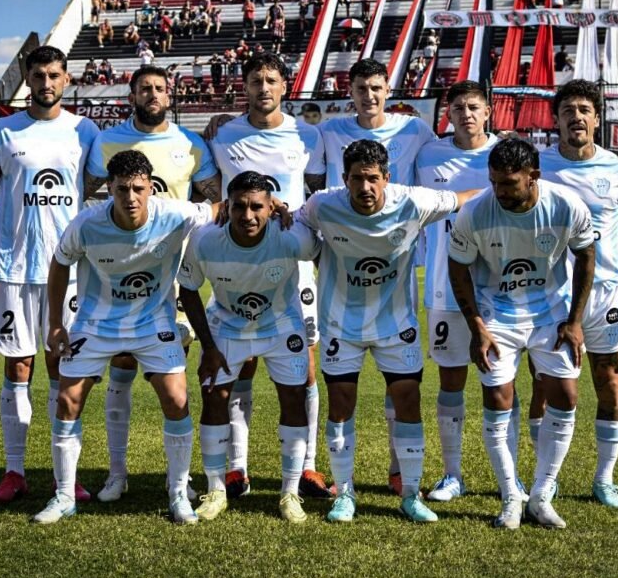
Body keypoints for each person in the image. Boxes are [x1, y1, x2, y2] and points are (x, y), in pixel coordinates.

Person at [32, 150, 219, 525]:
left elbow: (218, 209)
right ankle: (64, 495)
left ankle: (177, 493)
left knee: (176, 398)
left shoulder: (175, 214)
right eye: (121, 189)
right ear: (109, 189)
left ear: (151, 188)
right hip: (96, 323)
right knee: (68, 400)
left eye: (137, 189)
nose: (130, 197)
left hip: (153, 322)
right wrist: (55, 323)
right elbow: (59, 263)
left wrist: (276, 205)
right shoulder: (87, 224)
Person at [296, 140, 475, 523]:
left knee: (408, 401)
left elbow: (464, 198)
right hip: (341, 323)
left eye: (373, 178)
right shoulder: (322, 204)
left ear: (387, 178)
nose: (365, 187)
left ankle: (411, 495)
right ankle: (345, 495)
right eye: (356, 179)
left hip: (396, 325)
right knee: (341, 404)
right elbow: (296, 220)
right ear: (344, 179)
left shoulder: (413, 201)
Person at [0, 46, 99, 506]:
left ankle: (67, 475)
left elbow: (100, 190)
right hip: (14, 266)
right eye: (38, 75)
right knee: (18, 366)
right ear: (28, 77)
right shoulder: (3, 130)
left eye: (54, 75)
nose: (46, 83)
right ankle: (15, 471)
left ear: (66, 79)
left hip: (69, 270)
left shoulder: (84, 131)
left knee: (64, 368)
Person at [82, 65, 223, 503]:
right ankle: (117, 474)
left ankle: (177, 480)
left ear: (170, 94)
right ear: (132, 94)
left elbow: (215, 198)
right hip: (120, 281)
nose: (153, 94)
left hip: (173, 282)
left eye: (160, 88)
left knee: (174, 380)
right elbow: (85, 194)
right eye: (145, 88)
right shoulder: (107, 141)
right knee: (121, 371)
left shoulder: (190, 144)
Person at [448, 138, 596, 530]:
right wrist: (477, 327)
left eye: (509, 183)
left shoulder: (566, 205)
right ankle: (511, 497)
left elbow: (586, 255)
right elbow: (457, 268)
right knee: (499, 399)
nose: (499, 191)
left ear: (534, 177)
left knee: (565, 395)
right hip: (496, 315)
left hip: (551, 314)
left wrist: (575, 321)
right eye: (494, 181)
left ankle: (542, 495)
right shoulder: (475, 213)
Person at [207, 52, 333, 500]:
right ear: (244, 86)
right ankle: (236, 468)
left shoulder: (307, 135)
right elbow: (212, 190)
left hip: (292, 263)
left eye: (271, 80)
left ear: (285, 86)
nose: (263, 88)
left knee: (305, 367)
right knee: (240, 365)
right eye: (256, 80)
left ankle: (308, 467)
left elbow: (316, 195)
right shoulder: (222, 134)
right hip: (239, 262)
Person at [536, 79, 618, 509]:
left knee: (609, 382)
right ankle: (546, 478)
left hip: (606, 294)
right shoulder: (538, 165)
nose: (576, 117)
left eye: (584, 110)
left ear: (597, 118)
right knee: (549, 389)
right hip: (552, 295)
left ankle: (604, 479)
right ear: (556, 120)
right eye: (568, 110)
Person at [318, 58, 438, 493]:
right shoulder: (327, 131)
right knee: (339, 395)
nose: (369, 96)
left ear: (388, 90)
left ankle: (400, 473)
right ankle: (338, 483)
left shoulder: (415, 129)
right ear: (349, 92)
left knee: (402, 389)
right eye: (361, 88)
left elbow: (452, 169)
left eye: (376, 87)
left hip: (395, 263)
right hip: (343, 258)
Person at [178, 171, 319, 522]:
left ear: (271, 207)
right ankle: (216, 490)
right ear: (227, 206)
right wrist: (208, 346)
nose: (248, 215)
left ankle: (289, 493)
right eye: (239, 206)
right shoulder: (206, 239)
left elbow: (325, 252)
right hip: (227, 326)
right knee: (214, 398)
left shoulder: (291, 236)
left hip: (281, 325)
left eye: (257, 206)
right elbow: (189, 290)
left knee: (294, 398)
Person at [415, 80, 503, 504]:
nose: (466, 114)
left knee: (499, 384)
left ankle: (507, 477)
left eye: (473, 107)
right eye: (458, 108)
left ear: (488, 112)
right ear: (447, 115)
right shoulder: (428, 155)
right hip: (443, 288)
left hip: (498, 289)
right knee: (451, 380)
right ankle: (452, 475)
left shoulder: (505, 153)